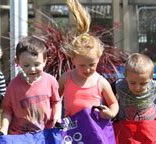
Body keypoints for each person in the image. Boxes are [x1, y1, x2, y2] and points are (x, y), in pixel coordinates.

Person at [57, 0, 119, 143]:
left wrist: (110, 113)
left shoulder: (101, 82)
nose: (87, 69)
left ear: (99, 58)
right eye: (81, 65)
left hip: (94, 128)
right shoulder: (66, 78)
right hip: (72, 129)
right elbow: (55, 99)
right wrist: (55, 114)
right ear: (73, 60)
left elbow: (114, 103)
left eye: (92, 64)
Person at [0, 36, 61, 135]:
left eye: (36, 64)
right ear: (17, 62)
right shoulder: (13, 86)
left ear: (45, 61)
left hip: (45, 134)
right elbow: (7, 110)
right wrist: (4, 128)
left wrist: (57, 116)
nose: (32, 69)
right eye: (26, 65)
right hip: (20, 136)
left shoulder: (50, 81)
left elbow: (56, 102)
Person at [112, 53, 156, 143]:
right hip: (126, 129)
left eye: (143, 83)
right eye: (133, 83)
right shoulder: (120, 85)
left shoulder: (155, 86)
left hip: (149, 129)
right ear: (126, 76)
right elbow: (108, 92)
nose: (137, 88)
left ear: (151, 78)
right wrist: (112, 110)